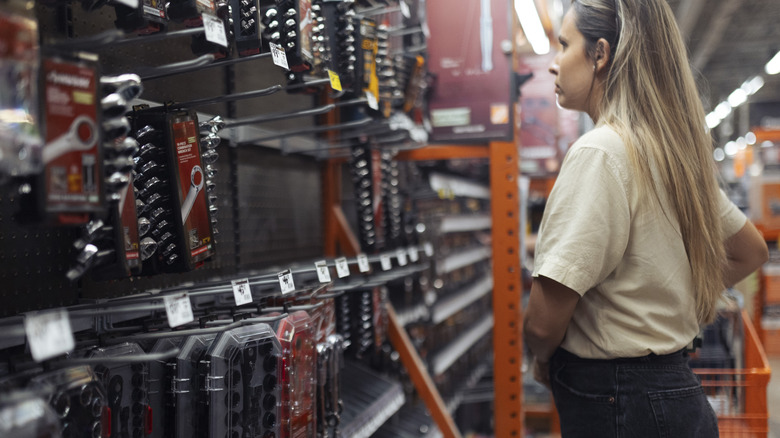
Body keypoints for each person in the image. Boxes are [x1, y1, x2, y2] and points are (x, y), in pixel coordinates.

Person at [523, 0, 770, 437]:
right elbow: (750, 250)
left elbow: (543, 325)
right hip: (677, 396)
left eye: (564, 45)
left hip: (620, 402)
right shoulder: (669, 153)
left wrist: (540, 356)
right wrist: (672, 301)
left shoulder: (600, 152)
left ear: (600, 54)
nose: (553, 64)